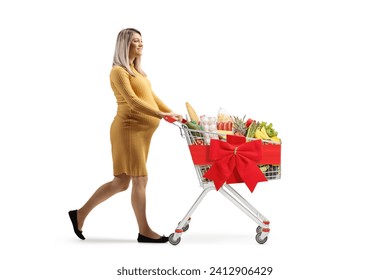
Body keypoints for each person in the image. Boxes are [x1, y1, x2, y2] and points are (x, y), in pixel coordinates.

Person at [69, 28, 181, 243]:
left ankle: (79, 214)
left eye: (141, 41)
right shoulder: (118, 72)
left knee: (120, 183)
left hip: (141, 132)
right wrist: (161, 115)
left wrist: (172, 113)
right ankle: (145, 231)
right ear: (125, 45)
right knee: (141, 179)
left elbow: (150, 97)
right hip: (129, 131)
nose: (141, 44)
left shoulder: (137, 71)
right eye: (135, 41)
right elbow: (132, 101)